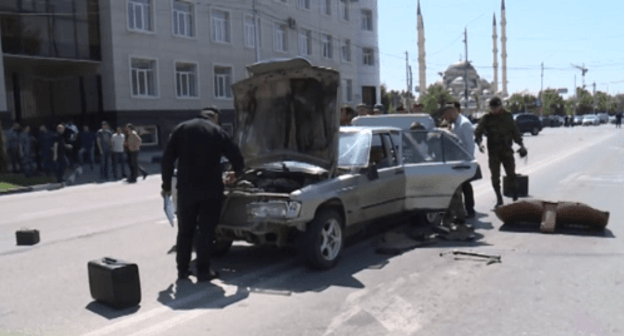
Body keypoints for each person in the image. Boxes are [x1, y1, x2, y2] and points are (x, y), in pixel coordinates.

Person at [161, 108, 245, 282]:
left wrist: (167, 185)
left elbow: (167, 158)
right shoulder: (217, 131)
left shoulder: (181, 129)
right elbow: (236, 155)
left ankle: (182, 270)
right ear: (214, 118)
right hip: (210, 190)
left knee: (185, 231)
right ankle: (203, 271)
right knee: (206, 231)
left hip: (186, 190)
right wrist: (236, 172)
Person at [474, 97, 527, 208]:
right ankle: (499, 199)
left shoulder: (508, 116)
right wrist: (479, 144)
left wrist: (521, 144)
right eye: (492, 108)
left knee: (511, 174)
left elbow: (514, 132)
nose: (494, 110)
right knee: (495, 177)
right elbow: (477, 132)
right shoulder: (487, 118)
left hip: (507, 151)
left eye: (496, 108)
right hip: (494, 152)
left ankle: (515, 197)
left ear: (501, 106)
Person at [443, 103, 476, 218]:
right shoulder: (455, 124)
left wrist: (468, 162)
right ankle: (463, 209)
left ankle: (469, 209)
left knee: (465, 186)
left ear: (452, 112)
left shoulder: (464, 124)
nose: (445, 118)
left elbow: (469, 145)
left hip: (464, 160)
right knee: (462, 185)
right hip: (457, 159)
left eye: (446, 115)